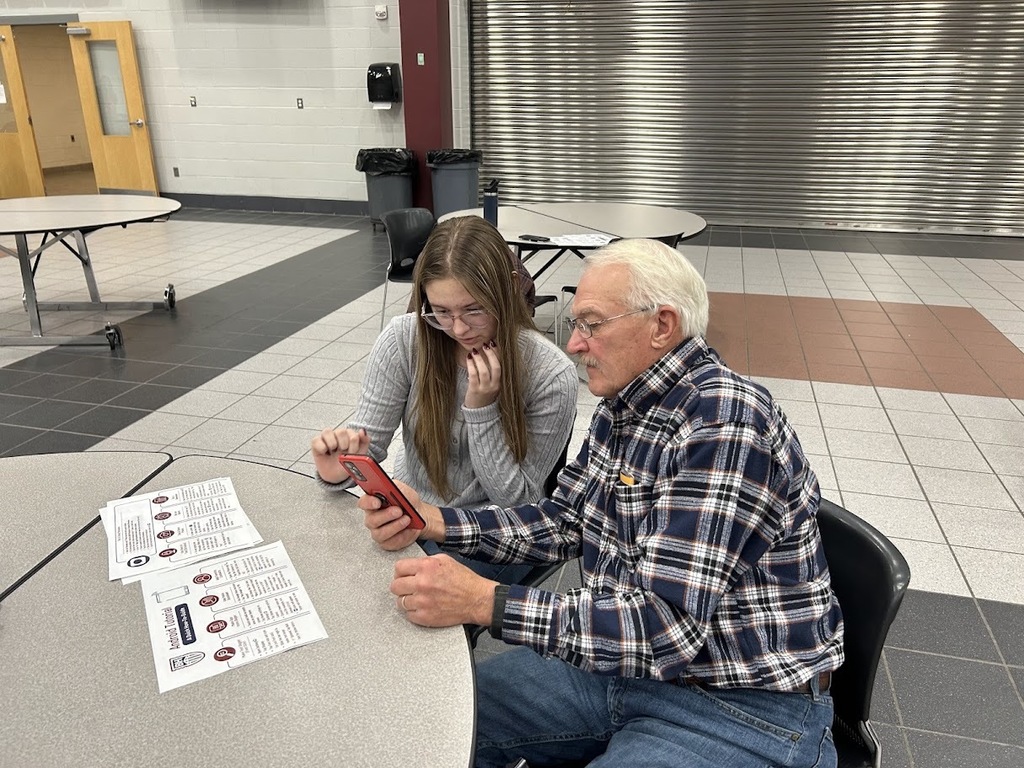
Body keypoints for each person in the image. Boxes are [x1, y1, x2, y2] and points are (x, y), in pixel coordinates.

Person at [359, 238, 845, 767]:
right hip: (620, 669)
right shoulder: (625, 406)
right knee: (429, 722)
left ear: (661, 325)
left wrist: (485, 601)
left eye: (591, 324)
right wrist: (435, 522)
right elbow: (565, 520)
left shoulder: (725, 423)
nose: (574, 344)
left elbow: (665, 627)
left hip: (737, 705)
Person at [311, 216, 578, 580]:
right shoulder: (405, 340)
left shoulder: (550, 373)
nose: (458, 329)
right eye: (441, 311)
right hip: (414, 510)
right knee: (343, 580)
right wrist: (338, 469)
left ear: (508, 290)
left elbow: (519, 502)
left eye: (474, 309)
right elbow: (367, 448)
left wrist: (481, 410)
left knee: (411, 603)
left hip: (495, 532)